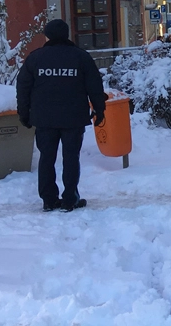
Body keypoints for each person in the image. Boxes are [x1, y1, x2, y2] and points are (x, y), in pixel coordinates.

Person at [16, 19, 106, 212]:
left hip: (44, 118)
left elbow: (23, 88)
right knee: (71, 157)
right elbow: (95, 86)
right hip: (73, 117)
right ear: (67, 34)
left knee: (46, 158)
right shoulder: (81, 57)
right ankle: (70, 199)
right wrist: (99, 110)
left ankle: (48, 200)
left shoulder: (35, 58)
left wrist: (24, 113)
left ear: (47, 36)